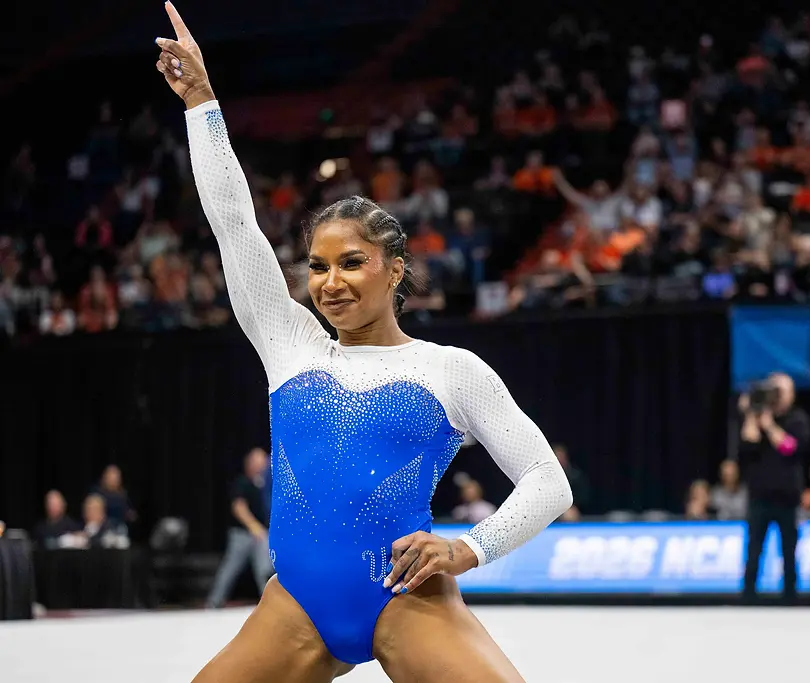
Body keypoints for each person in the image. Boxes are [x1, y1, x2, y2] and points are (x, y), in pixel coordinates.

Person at [154, 5, 572, 682]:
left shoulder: (448, 369)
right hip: (296, 607)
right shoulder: (290, 343)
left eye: (351, 263)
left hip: (405, 597)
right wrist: (202, 102)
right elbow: (233, 222)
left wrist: (470, 548)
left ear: (394, 268)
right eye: (318, 267)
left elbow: (547, 480)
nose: (330, 283)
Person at [737, 372, 810, 603]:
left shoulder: (797, 419)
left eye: (782, 391)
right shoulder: (756, 418)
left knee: (788, 551)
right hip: (759, 496)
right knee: (753, 549)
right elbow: (747, 447)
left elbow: (791, 449)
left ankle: (790, 597)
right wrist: (752, 414)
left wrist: (769, 427)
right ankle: (748, 596)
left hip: (787, 497)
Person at [206, 448, 274, 608]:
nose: (263, 465)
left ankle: (269, 604)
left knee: (264, 570)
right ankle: (213, 602)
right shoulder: (243, 483)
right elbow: (238, 507)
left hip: (262, 535)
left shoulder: (265, 485)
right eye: (259, 462)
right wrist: (253, 526)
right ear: (250, 464)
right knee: (230, 568)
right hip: (242, 534)